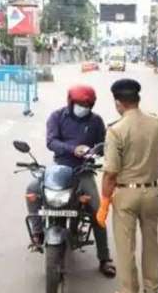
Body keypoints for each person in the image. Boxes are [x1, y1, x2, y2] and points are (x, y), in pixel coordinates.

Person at [95, 78, 158, 293]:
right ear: (137, 99)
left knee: (125, 246)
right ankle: (151, 288)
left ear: (118, 103)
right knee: (151, 241)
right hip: (151, 192)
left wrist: (104, 204)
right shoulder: (157, 124)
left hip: (126, 195)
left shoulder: (116, 130)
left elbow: (110, 173)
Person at [25, 85, 116, 278]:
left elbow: (103, 144)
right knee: (33, 189)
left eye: (88, 104)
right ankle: (38, 232)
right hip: (60, 168)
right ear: (70, 102)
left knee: (96, 209)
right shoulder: (57, 117)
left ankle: (104, 258)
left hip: (84, 170)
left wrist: (95, 151)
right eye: (81, 104)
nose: (84, 107)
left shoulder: (96, 121)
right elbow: (51, 142)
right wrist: (72, 149)